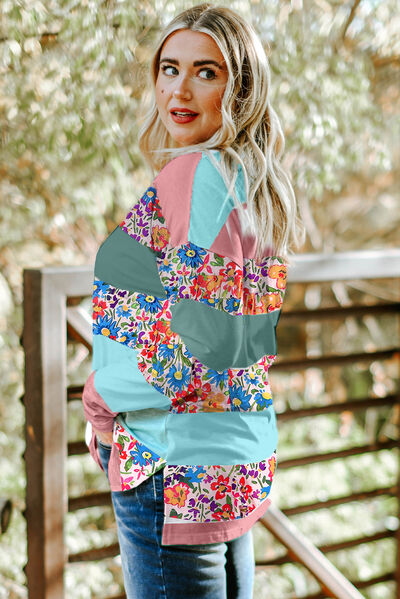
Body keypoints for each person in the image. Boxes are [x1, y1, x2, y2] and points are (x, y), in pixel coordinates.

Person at [82, 3, 303, 598]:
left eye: (206, 72)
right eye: (169, 69)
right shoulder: (248, 180)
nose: (178, 90)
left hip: (170, 462)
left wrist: (100, 397)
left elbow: (202, 348)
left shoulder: (198, 176)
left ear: (241, 88)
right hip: (227, 460)